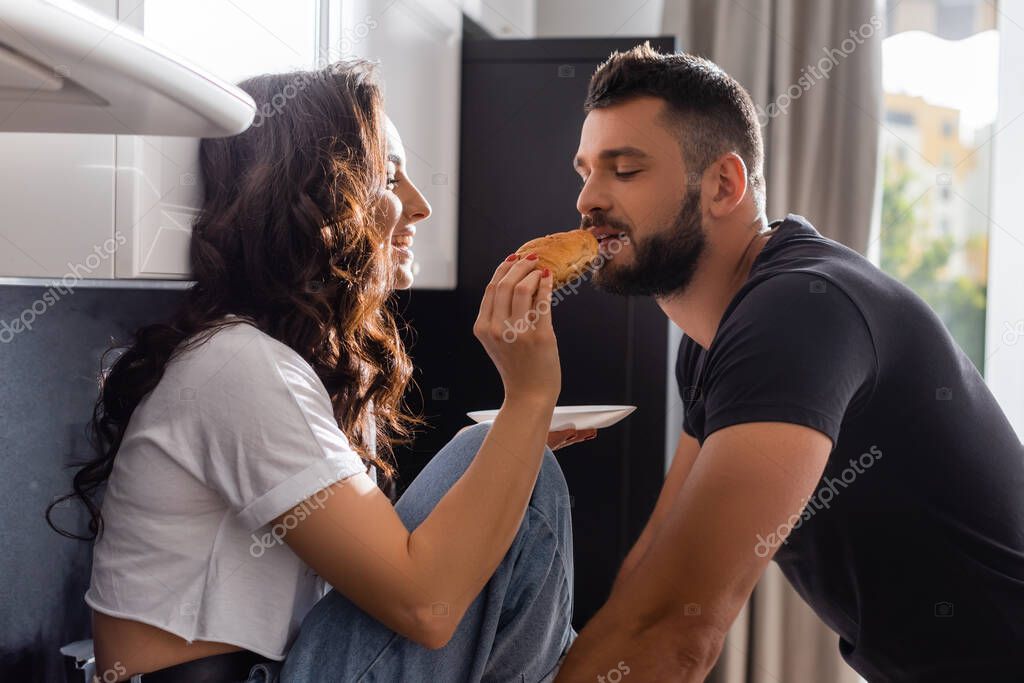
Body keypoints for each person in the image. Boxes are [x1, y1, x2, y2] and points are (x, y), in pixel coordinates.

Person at [48, 60, 580, 683]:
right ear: (321, 194)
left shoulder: (273, 362)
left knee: (507, 462)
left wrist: (506, 446)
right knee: (521, 474)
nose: (420, 205)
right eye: (388, 176)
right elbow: (425, 606)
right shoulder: (236, 367)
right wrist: (530, 394)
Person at [554, 43, 1024, 683]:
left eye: (625, 170)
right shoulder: (713, 342)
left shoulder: (799, 312)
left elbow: (677, 628)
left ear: (724, 184)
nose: (587, 200)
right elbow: (657, 574)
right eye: (585, 171)